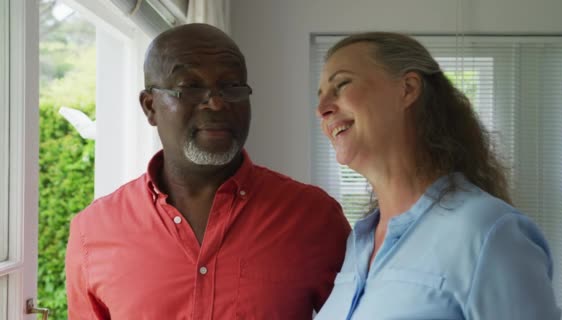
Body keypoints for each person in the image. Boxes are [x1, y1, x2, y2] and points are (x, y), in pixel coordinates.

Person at [65, 23, 351, 320]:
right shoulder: (94, 231)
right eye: (189, 86)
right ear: (150, 106)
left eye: (231, 86)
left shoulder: (313, 217)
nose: (216, 102)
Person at [314, 32, 561, 319]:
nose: (322, 109)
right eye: (319, 97)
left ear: (407, 89)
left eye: (342, 84)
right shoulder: (358, 245)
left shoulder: (488, 233)